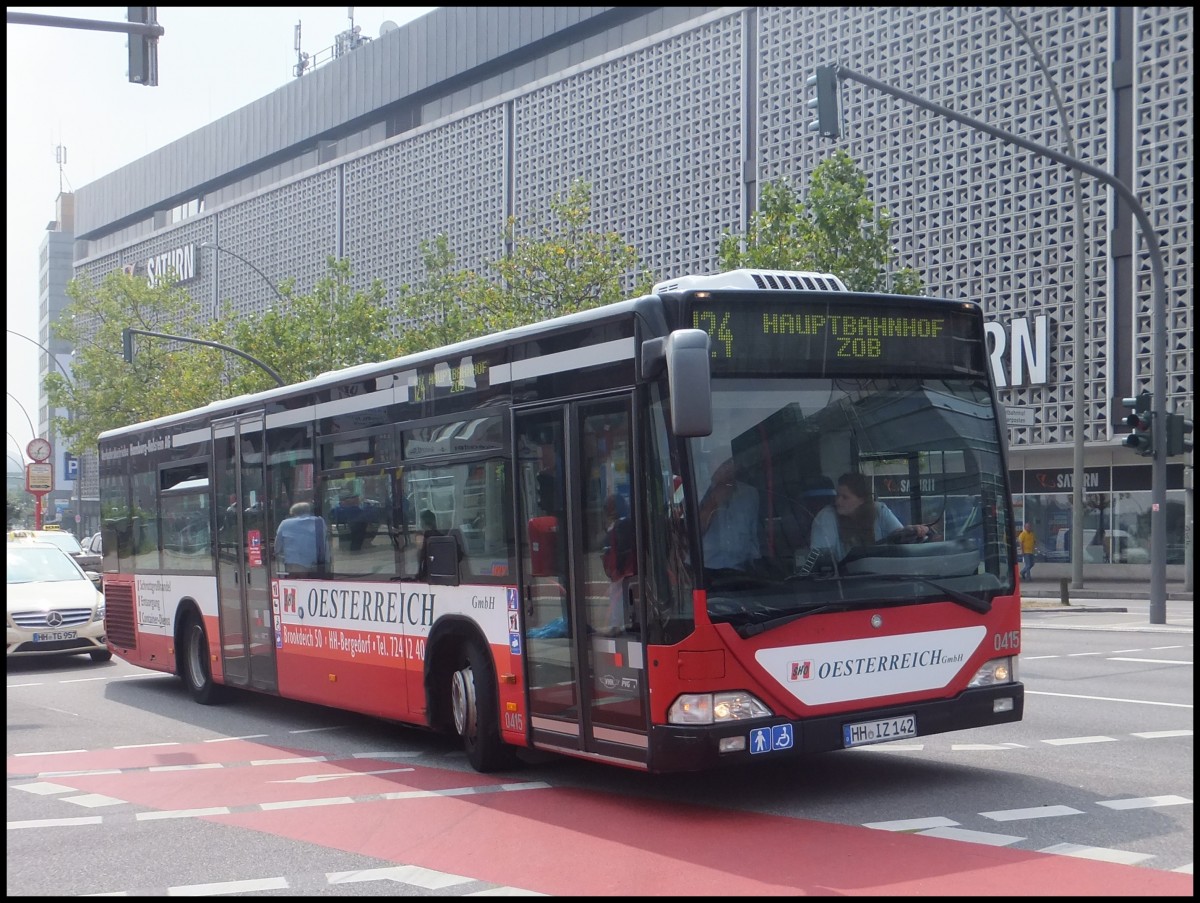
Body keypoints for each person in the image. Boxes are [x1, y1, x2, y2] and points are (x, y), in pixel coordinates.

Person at [810, 471, 932, 561]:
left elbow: (899, 539)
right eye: (837, 496)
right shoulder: (827, 517)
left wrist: (912, 531)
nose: (838, 501)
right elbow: (821, 560)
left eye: (845, 497)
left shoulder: (879, 510)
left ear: (862, 499)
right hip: (841, 583)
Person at [699, 457, 760, 571]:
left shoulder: (750, 494)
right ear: (709, 464)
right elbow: (689, 536)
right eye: (719, 459)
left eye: (729, 461)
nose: (725, 466)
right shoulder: (696, 492)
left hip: (742, 571)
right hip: (705, 571)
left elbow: (753, 535)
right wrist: (713, 504)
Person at [601, 494, 636, 629]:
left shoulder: (621, 525)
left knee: (617, 597)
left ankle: (618, 624)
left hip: (622, 571)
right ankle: (619, 623)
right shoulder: (622, 523)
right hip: (622, 570)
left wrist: (618, 569)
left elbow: (621, 549)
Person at [274, 501, 327, 577]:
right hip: (317, 562)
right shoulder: (320, 521)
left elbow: (278, 545)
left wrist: (277, 553)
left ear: (294, 513)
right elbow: (325, 540)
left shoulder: (285, 524)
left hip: (295, 562)